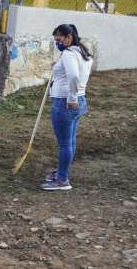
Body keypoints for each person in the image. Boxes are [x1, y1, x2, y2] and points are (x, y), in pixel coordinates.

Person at [42, 24, 93, 191]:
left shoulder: (69, 54)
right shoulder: (83, 53)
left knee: (65, 144)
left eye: (59, 39)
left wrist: (71, 97)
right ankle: (62, 172)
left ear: (68, 37)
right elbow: (71, 74)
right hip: (79, 101)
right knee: (69, 142)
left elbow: (73, 75)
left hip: (65, 103)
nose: (57, 43)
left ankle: (62, 180)